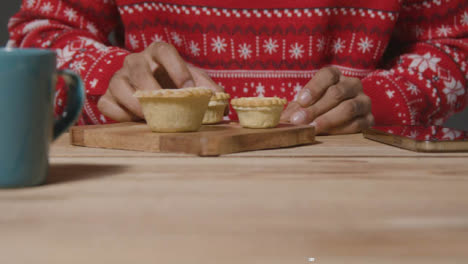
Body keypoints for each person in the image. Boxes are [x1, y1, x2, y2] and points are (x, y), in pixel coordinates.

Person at [7, 0, 468, 134]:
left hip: (361, 197)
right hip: (148, 201)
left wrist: (384, 102)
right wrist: (108, 77)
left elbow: (457, 43)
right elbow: (38, 31)